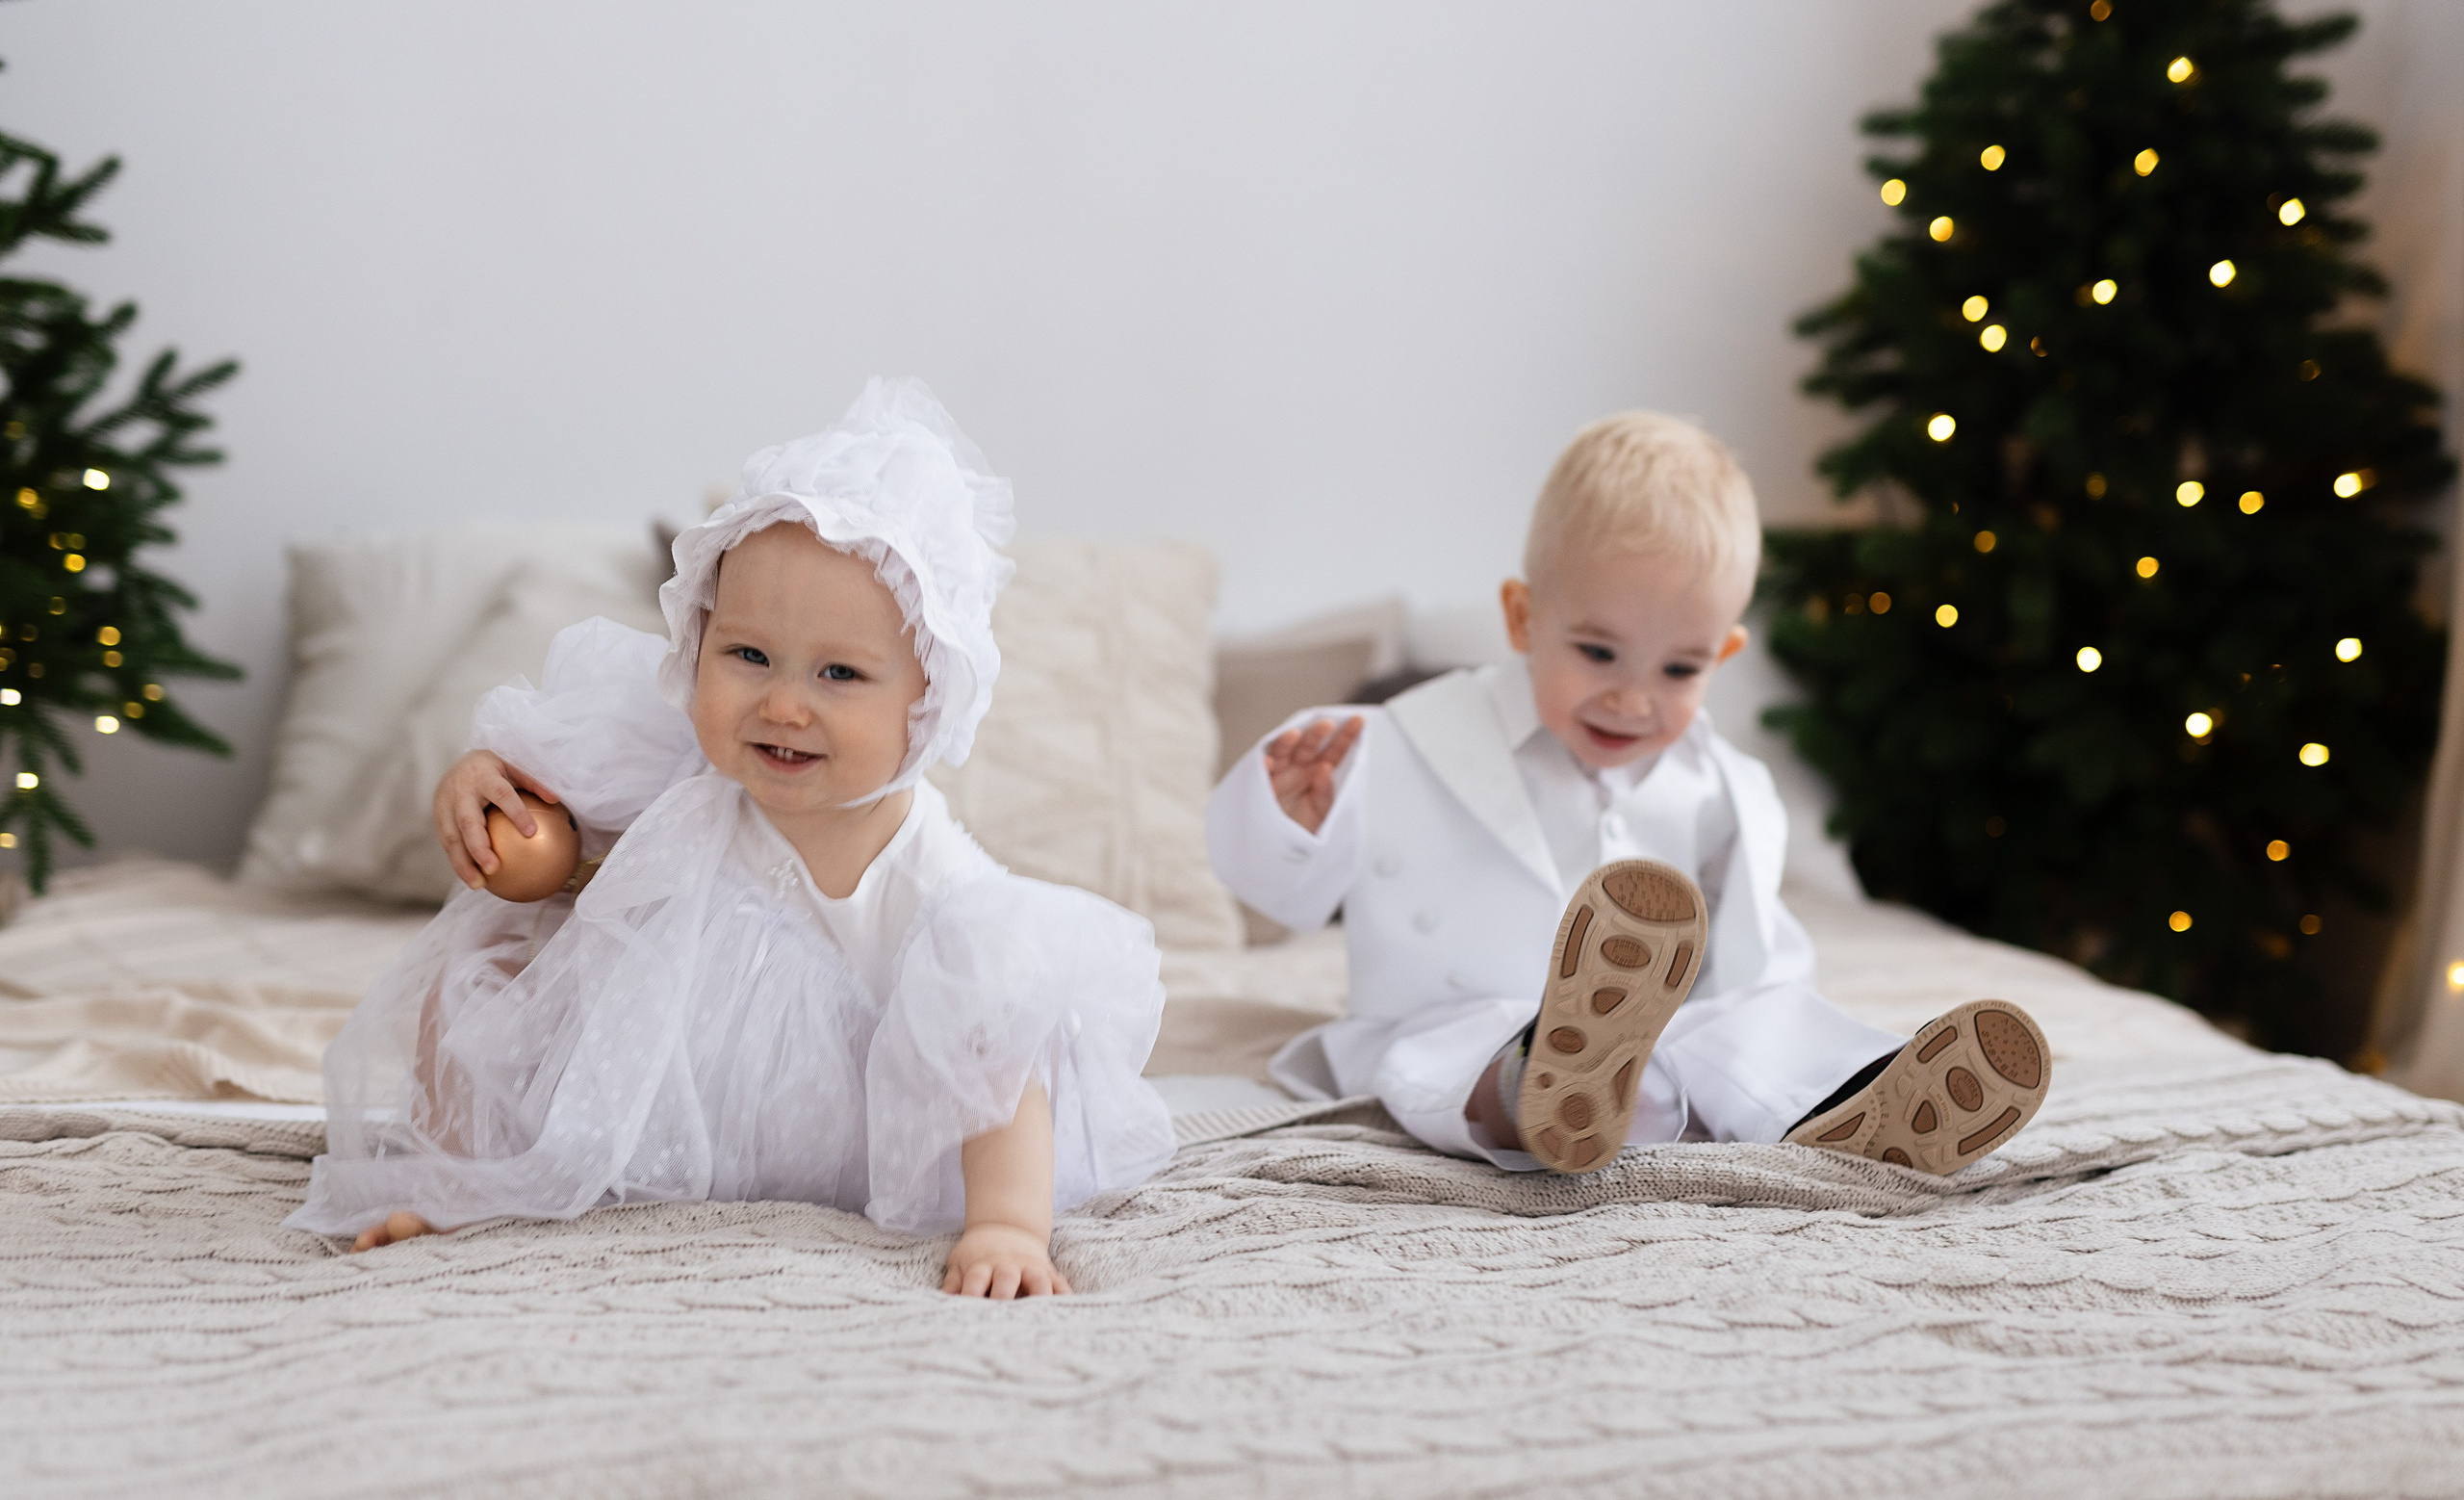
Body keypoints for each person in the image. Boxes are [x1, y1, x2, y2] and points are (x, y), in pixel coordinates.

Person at [287, 379, 1176, 1298]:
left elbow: (997, 1065)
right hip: (649, 1097)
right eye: (747, 656)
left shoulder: (941, 888)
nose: (782, 703)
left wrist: (1005, 1228)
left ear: (928, 703)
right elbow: (548, 865)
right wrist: (482, 789)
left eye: (839, 673)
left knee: (996, 1046)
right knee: (486, 956)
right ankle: (454, 1175)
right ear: (697, 647)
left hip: (840, 1138)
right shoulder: (676, 768)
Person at [1206, 412, 2049, 1175]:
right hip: (1444, 1013)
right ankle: (1536, 1087)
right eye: (1598, 653)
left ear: (1721, 656)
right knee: (1450, 1059)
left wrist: (1778, 1032)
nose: (1633, 698)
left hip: (1657, 1031)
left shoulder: (1721, 783)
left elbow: (1759, 956)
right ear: (1522, 618)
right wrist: (1291, 819)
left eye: (1679, 669)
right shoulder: (1399, 741)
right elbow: (1274, 896)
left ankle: (1852, 1103)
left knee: (1751, 1033)